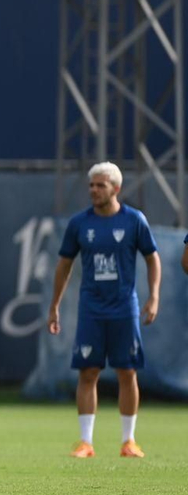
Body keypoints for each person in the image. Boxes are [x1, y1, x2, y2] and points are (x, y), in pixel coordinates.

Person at [46, 162, 160, 458]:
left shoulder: (134, 220)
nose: (94, 190)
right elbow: (64, 265)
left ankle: (129, 441)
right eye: (91, 185)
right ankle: (86, 442)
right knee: (88, 372)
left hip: (124, 308)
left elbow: (152, 258)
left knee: (127, 371)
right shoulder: (79, 224)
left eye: (100, 185)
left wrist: (154, 296)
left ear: (116, 189)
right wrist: (55, 305)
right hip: (92, 309)